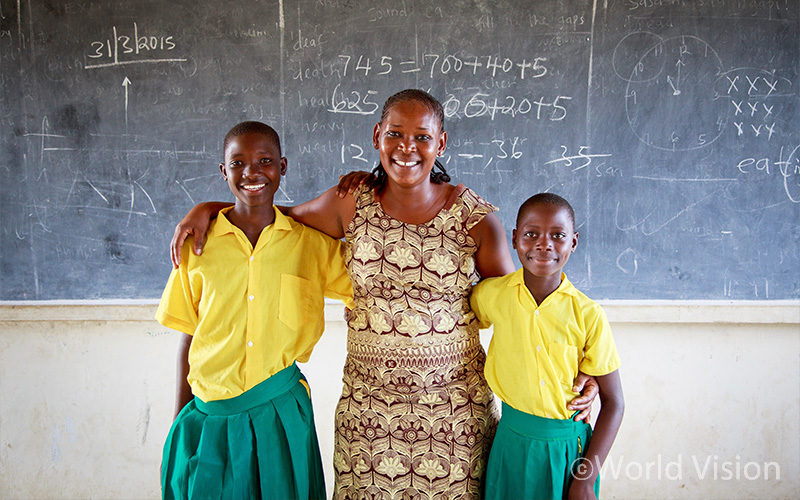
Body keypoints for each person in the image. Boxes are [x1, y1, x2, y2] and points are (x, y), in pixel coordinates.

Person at [170, 90, 598, 499]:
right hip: (368, 411)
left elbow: (521, 308)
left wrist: (587, 370)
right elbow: (273, 212)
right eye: (394, 133)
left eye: (422, 137)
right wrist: (210, 209)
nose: (406, 147)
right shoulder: (350, 202)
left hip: (453, 411)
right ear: (377, 136)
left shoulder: (474, 218)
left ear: (441, 143)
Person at [156, 121, 353, 500]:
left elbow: (372, 286)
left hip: (279, 415)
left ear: (283, 166)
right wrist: (181, 422)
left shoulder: (311, 245)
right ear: (223, 171)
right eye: (238, 163)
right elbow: (190, 338)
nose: (252, 173)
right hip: (209, 417)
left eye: (264, 160)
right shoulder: (196, 245)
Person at [470, 193, 624, 500]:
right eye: (531, 234)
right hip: (510, 445)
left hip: (566, 452)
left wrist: (584, 479)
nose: (544, 244)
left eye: (558, 235)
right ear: (514, 239)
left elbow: (614, 402)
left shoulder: (588, 314)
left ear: (573, 242)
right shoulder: (493, 295)